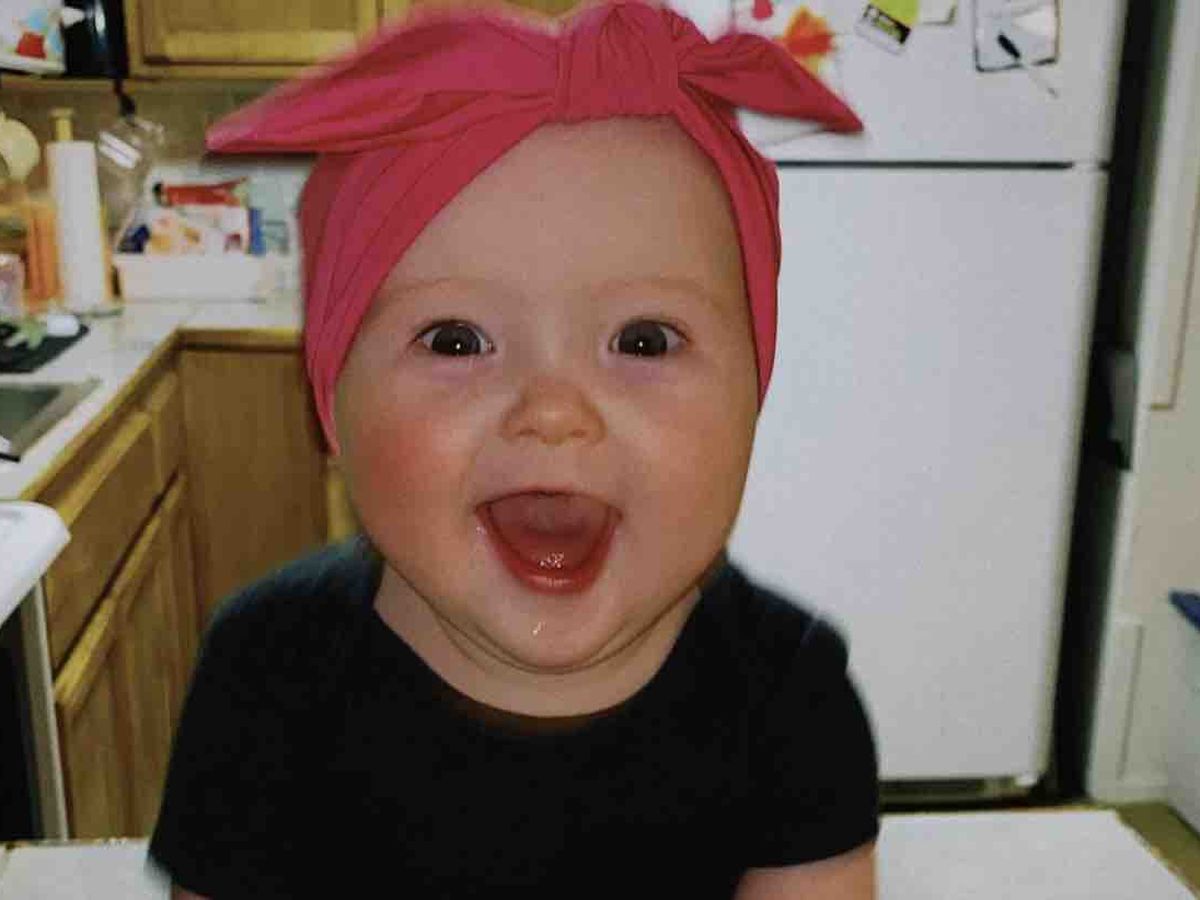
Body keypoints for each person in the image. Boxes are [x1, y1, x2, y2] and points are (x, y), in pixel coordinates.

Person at [148, 1, 879, 896]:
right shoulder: (268, 673)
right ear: (332, 401)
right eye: (457, 340)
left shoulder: (789, 691)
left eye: (643, 340)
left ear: (752, 395)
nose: (554, 411)